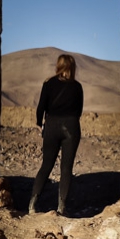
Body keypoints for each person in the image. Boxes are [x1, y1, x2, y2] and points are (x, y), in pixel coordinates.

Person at [29, 54, 83, 216]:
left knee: (46, 165)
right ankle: (61, 208)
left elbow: (41, 107)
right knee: (66, 169)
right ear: (72, 67)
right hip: (71, 127)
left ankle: (32, 205)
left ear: (58, 66)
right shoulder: (77, 86)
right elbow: (79, 111)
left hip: (52, 126)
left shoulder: (48, 83)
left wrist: (39, 124)